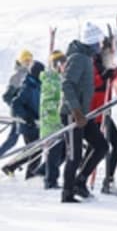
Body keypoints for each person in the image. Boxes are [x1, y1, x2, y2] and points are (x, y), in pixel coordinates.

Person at [60, 22, 108, 203]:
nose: (100, 46)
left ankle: (80, 181)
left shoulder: (86, 58)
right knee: (75, 154)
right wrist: (76, 111)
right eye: (99, 43)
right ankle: (67, 193)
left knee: (101, 145)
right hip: (73, 113)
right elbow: (66, 84)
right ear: (92, 42)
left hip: (84, 113)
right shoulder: (78, 58)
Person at [88, 38, 117, 196]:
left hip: (104, 112)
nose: (112, 55)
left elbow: (113, 79)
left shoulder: (105, 62)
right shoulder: (92, 62)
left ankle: (108, 181)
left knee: (116, 145)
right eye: (111, 52)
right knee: (97, 148)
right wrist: (105, 76)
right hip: (94, 113)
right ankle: (81, 180)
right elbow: (92, 83)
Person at [2, 61, 45, 179]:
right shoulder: (27, 86)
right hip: (27, 124)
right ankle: (30, 175)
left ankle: (11, 167)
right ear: (36, 73)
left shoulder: (37, 84)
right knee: (35, 150)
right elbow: (16, 103)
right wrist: (26, 116)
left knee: (33, 150)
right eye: (41, 73)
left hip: (35, 123)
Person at [39, 50, 67, 189]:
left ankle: (43, 172)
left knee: (62, 151)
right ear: (57, 64)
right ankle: (50, 181)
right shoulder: (51, 80)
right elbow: (47, 101)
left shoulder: (58, 79)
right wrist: (58, 107)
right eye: (63, 63)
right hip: (51, 121)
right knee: (54, 152)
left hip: (57, 120)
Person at [0, 50, 33, 157]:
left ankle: (14, 165)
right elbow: (7, 96)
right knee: (13, 140)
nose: (28, 63)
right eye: (25, 60)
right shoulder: (17, 76)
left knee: (30, 142)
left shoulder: (31, 75)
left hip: (28, 114)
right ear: (20, 61)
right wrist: (17, 108)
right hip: (19, 114)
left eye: (29, 60)